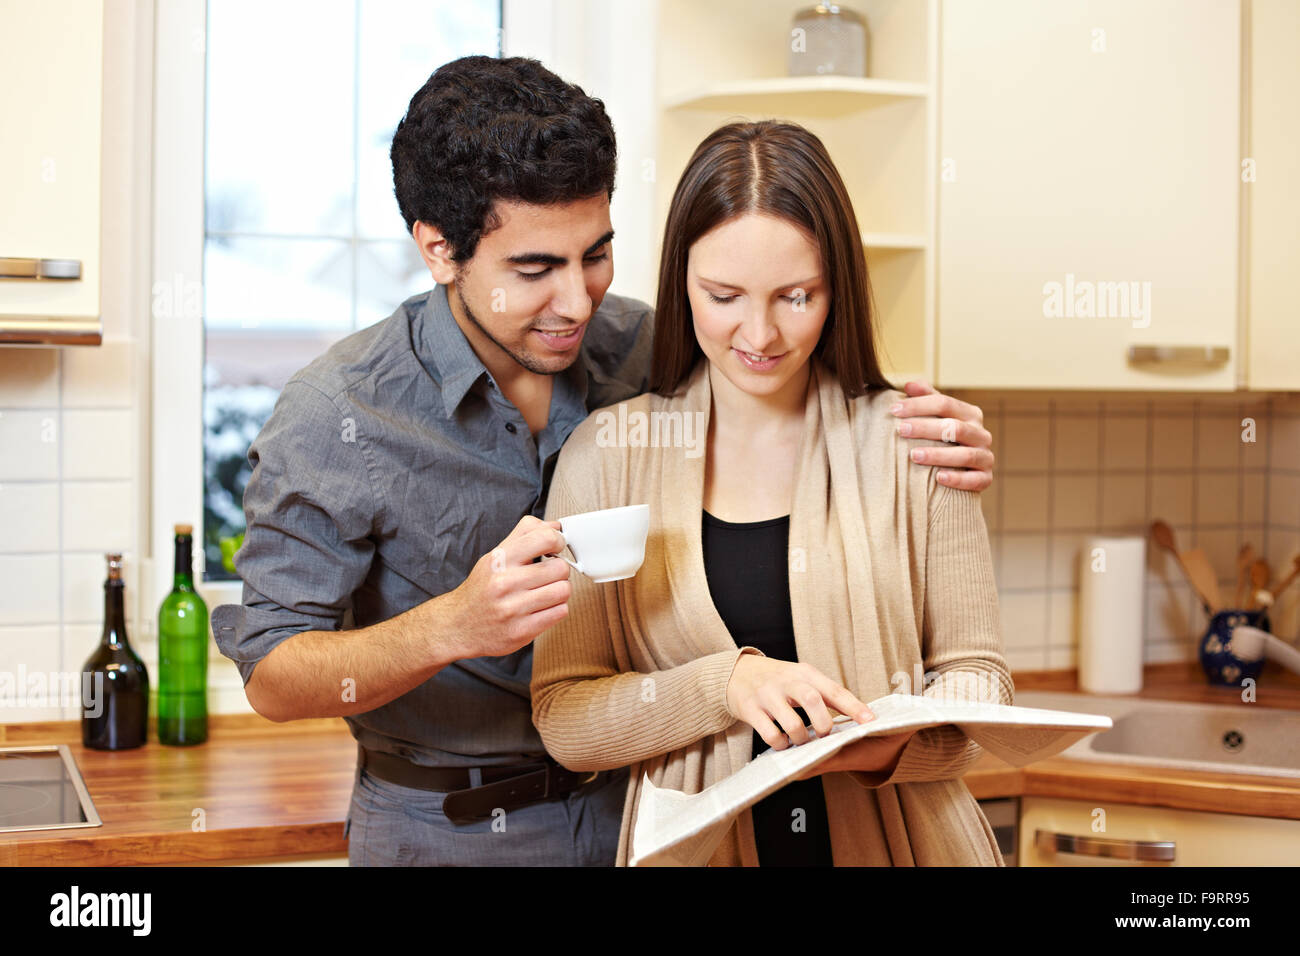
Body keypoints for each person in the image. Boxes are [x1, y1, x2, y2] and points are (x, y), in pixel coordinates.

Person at [212, 57, 996, 867]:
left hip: (646, 808)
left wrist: (929, 430)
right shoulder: (341, 413)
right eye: (535, 270)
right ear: (440, 250)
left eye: (595, 254)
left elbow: (779, 355)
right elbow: (272, 674)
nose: (579, 302)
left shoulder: (646, 346)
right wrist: (454, 625)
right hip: (448, 824)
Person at [531, 120, 1013, 867]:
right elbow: (566, 718)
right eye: (723, 295)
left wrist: (891, 746)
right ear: (680, 281)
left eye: (796, 296)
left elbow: (981, 681)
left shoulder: (917, 441)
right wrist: (727, 685)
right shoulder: (608, 455)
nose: (760, 333)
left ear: (838, 288)